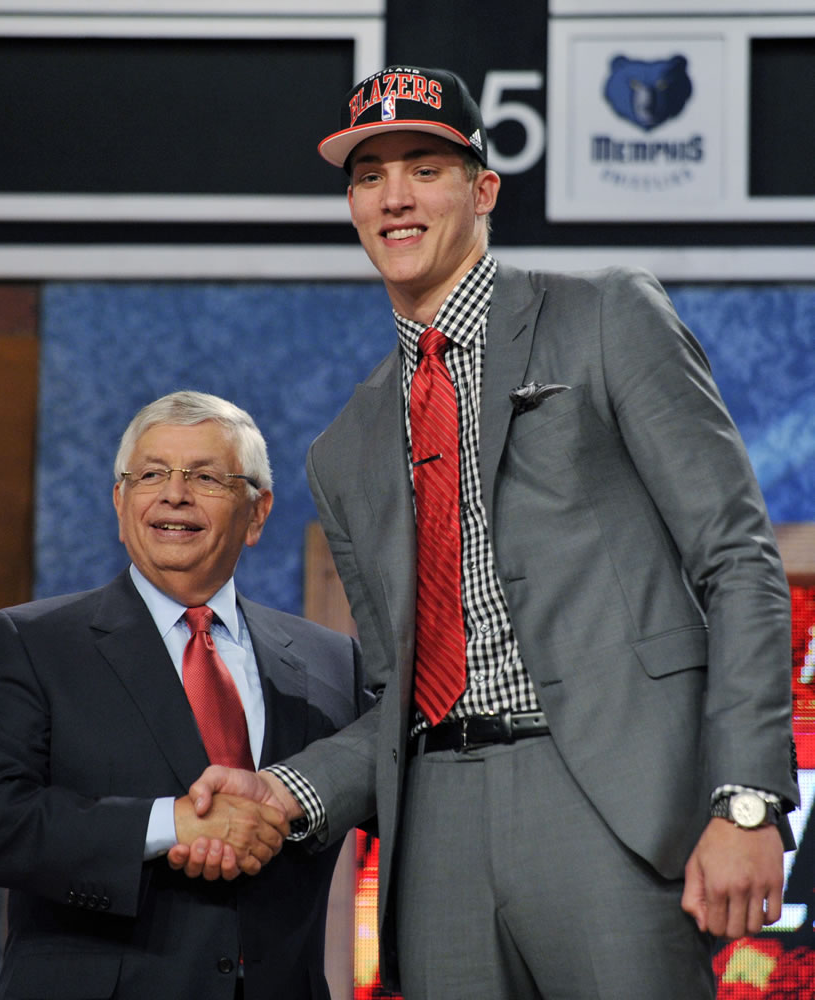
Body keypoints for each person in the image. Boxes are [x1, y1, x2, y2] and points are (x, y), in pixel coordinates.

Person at [175, 67, 799, 998]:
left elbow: (739, 561)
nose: (394, 196)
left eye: (424, 167)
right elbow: (396, 698)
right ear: (351, 204)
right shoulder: (342, 449)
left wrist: (746, 800)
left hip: (612, 802)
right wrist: (288, 792)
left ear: (483, 188)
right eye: (368, 173)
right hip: (436, 838)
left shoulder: (603, 317)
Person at [0, 390, 368, 1000]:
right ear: (121, 504)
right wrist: (165, 823)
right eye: (151, 474)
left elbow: (384, 794)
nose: (174, 493)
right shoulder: (33, 642)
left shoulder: (330, 659)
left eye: (205, 476)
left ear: (257, 514)